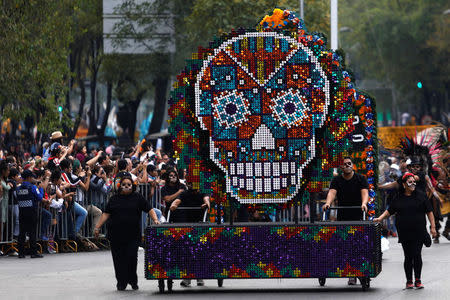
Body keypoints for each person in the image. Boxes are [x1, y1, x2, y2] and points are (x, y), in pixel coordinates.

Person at [94, 176, 160, 291]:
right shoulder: (114, 199)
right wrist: (97, 227)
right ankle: (121, 282)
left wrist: (155, 219)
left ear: (132, 186)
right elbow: (106, 213)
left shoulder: (138, 198)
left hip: (133, 235)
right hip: (116, 235)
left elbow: (149, 208)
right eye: (124, 184)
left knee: (131, 258)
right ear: (119, 186)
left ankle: (133, 281)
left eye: (129, 184)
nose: (126, 186)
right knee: (118, 259)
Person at [374, 173, 437, 289]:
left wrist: (433, 228)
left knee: (417, 255)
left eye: (414, 182)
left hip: (419, 231)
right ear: (404, 184)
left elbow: (429, 212)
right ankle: (409, 281)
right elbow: (389, 211)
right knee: (408, 256)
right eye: (410, 182)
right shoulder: (398, 198)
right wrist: (379, 218)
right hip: (404, 232)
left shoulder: (421, 196)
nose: (413, 184)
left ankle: (418, 279)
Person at [322, 156, 369, 285]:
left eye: (349, 163)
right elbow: (332, 192)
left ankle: (360, 271)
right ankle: (351, 273)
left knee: (358, 245)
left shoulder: (360, 179)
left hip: (358, 215)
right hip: (343, 215)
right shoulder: (337, 180)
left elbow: (365, 193)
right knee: (345, 245)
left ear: (352, 165)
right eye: (345, 164)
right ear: (341, 167)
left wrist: (364, 204)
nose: (347, 165)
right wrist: (327, 203)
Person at [16, 170, 44, 258]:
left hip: (22, 211)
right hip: (31, 211)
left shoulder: (18, 188)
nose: (33, 178)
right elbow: (39, 197)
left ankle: (21, 252)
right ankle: (33, 252)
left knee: (22, 232)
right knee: (32, 231)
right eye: (32, 177)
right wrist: (41, 189)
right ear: (28, 177)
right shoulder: (32, 187)